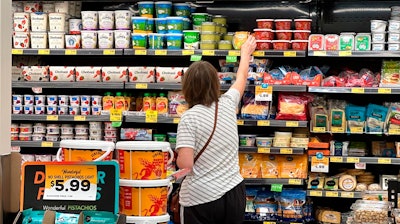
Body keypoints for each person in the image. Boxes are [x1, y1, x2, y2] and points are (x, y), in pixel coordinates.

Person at [175, 35, 257, 224]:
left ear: (186, 87)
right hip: (233, 192)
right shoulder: (228, 103)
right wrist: (245, 54)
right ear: (216, 83)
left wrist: (174, 156)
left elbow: (185, 164)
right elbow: (242, 77)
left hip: (202, 197)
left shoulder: (190, 117)